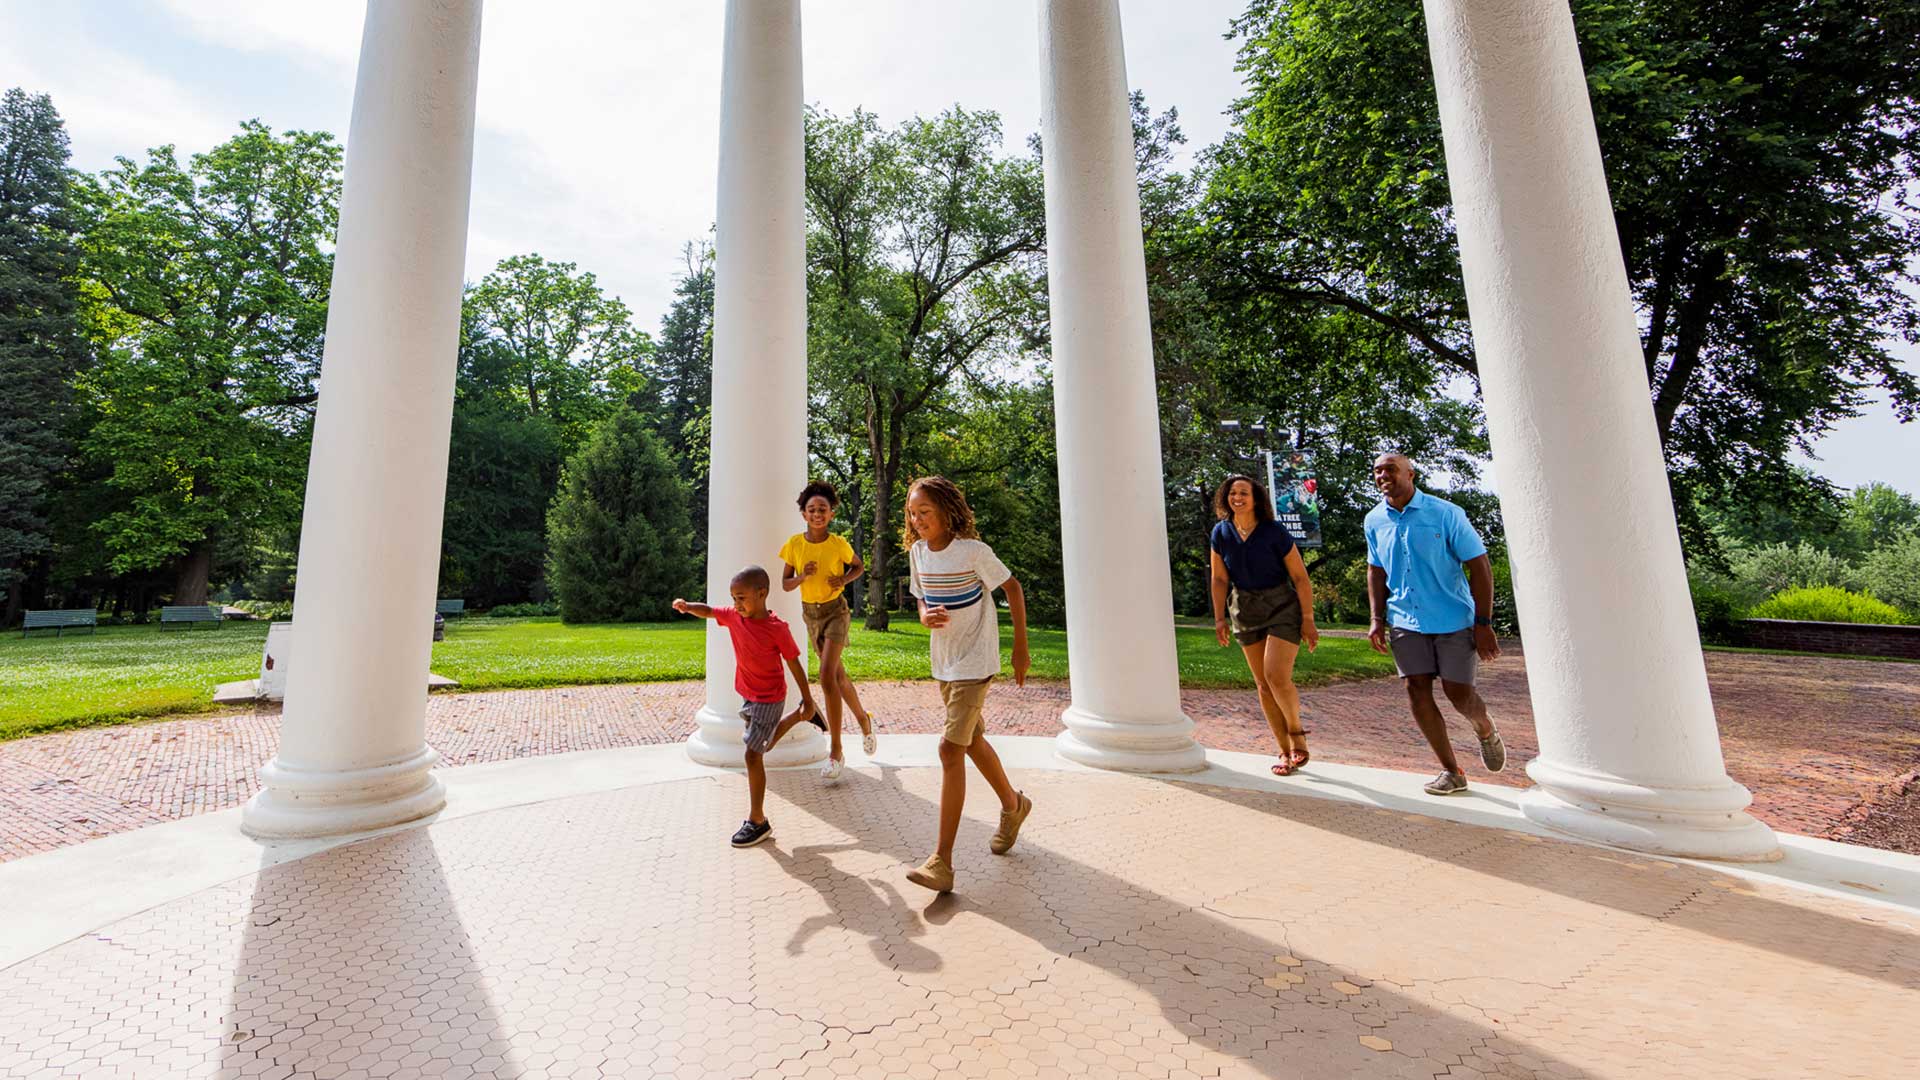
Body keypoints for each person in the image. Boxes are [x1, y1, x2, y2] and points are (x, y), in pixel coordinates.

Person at [899, 475, 1032, 894]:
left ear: (947, 512)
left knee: (949, 748)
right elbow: (920, 596)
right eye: (913, 513)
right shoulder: (918, 553)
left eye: (926, 512)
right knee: (971, 741)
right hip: (946, 662)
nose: (918, 520)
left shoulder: (973, 551)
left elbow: (1012, 588)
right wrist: (922, 615)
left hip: (977, 659)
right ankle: (1014, 805)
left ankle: (942, 862)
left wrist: (1020, 650)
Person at [1363, 452, 1507, 796]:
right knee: (1416, 688)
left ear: (1410, 474)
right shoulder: (1373, 520)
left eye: (1391, 469)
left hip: (1453, 619)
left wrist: (1483, 623)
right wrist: (1376, 618)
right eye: (1378, 470)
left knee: (1458, 694)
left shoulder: (1446, 514)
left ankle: (1484, 728)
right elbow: (1376, 570)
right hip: (1404, 620)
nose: (1383, 475)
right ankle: (1451, 770)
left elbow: (1480, 566)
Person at [673, 566, 821, 847]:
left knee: (753, 755)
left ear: (762, 594)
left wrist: (808, 696)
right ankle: (797, 717)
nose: (736, 604)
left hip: (770, 696)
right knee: (761, 746)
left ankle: (757, 821)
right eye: (733, 598)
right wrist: (688, 606)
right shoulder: (734, 617)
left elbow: (794, 663)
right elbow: (710, 611)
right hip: (748, 694)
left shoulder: (777, 628)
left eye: (741, 598)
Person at [1209, 474, 1320, 776]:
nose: (1237, 498)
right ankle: (1284, 752)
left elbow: (1300, 577)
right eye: (1232, 493)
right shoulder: (1221, 532)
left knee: (1276, 677)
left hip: (1281, 606)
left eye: (1244, 493)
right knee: (1262, 683)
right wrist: (1219, 618)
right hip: (1243, 608)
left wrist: (1308, 619)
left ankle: (1297, 735)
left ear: (1256, 499)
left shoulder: (1274, 532)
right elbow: (1219, 579)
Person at [779, 480, 878, 784]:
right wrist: (802, 576)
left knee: (825, 677)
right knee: (838, 677)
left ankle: (836, 751)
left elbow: (859, 567)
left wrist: (844, 580)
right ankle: (864, 719)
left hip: (836, 612)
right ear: (804, 514)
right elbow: (785, 583)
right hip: (811, 615)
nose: (817, 514)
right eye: (812, 510)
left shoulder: (838, 544)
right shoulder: (795, 544)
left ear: (831, 513)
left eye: (823, 509)